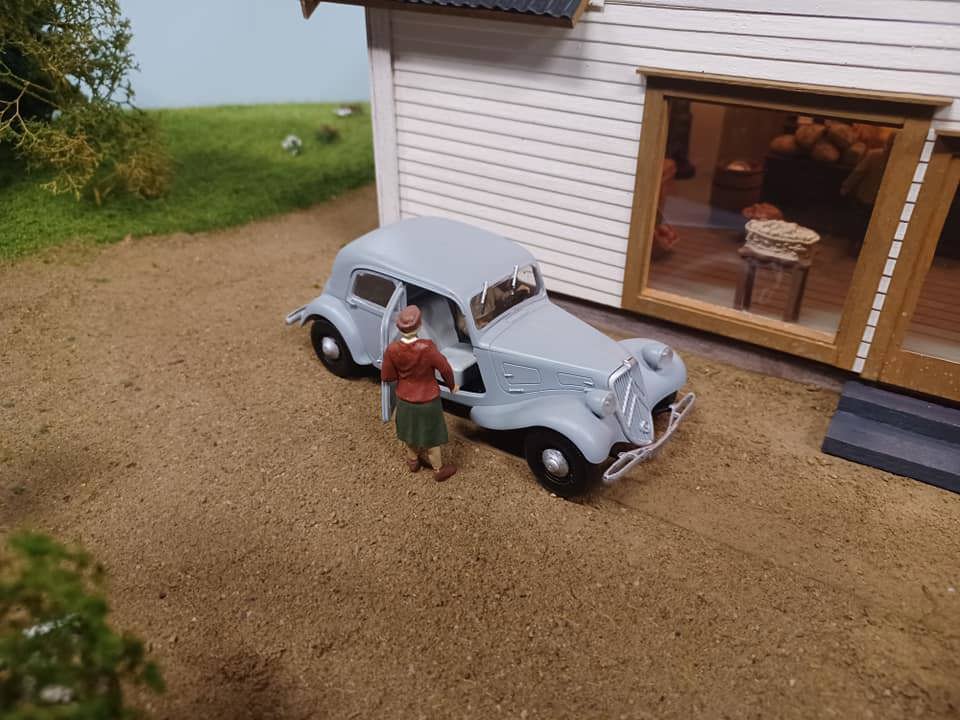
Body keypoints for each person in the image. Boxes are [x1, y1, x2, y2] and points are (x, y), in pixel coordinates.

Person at [381, 305, 458, 482]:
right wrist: (452, 385)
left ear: (399, 328)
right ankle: (438, 470)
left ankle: (413, 461)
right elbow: (445, 368)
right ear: (419, 326)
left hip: (404, 399)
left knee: (409, 433)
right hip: (427, 401)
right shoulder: (427, 347)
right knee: (432, 438)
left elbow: (387, 376)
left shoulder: (392, 350)